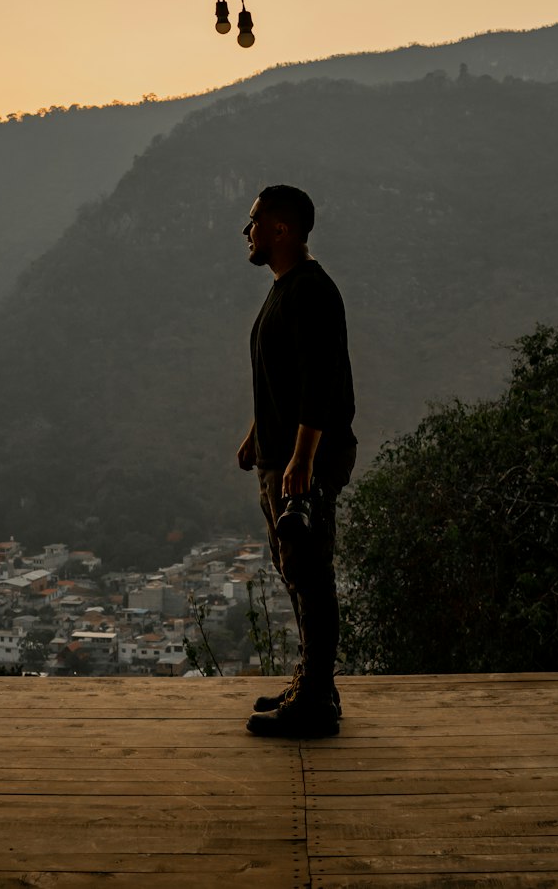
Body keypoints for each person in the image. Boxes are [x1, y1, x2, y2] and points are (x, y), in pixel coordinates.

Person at [237, 184, 357, 738]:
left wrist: (301, 460)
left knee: (310, 573)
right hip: (282, 454)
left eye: (256, 220)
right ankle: (315, 685)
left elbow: (319, 384)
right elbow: (282, 380)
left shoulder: (310, 292)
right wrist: (256, 436)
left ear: (281, 230)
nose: (248, 230)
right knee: (295, 570)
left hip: (302, 460)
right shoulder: (287, 290)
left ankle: (313, 701)